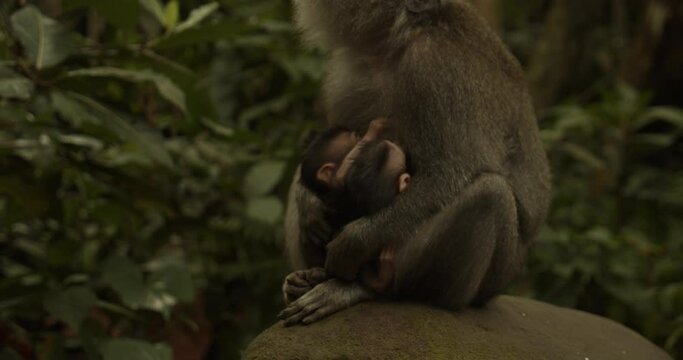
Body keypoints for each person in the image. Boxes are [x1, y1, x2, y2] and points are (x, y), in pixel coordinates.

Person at [299, 118, 411, 293]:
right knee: (348, 246)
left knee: (352, 244)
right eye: (357, 137)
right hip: (350, 235)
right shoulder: (342, 178)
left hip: (381, 228)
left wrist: (366, 233)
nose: (362, 141)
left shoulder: (343, 175)